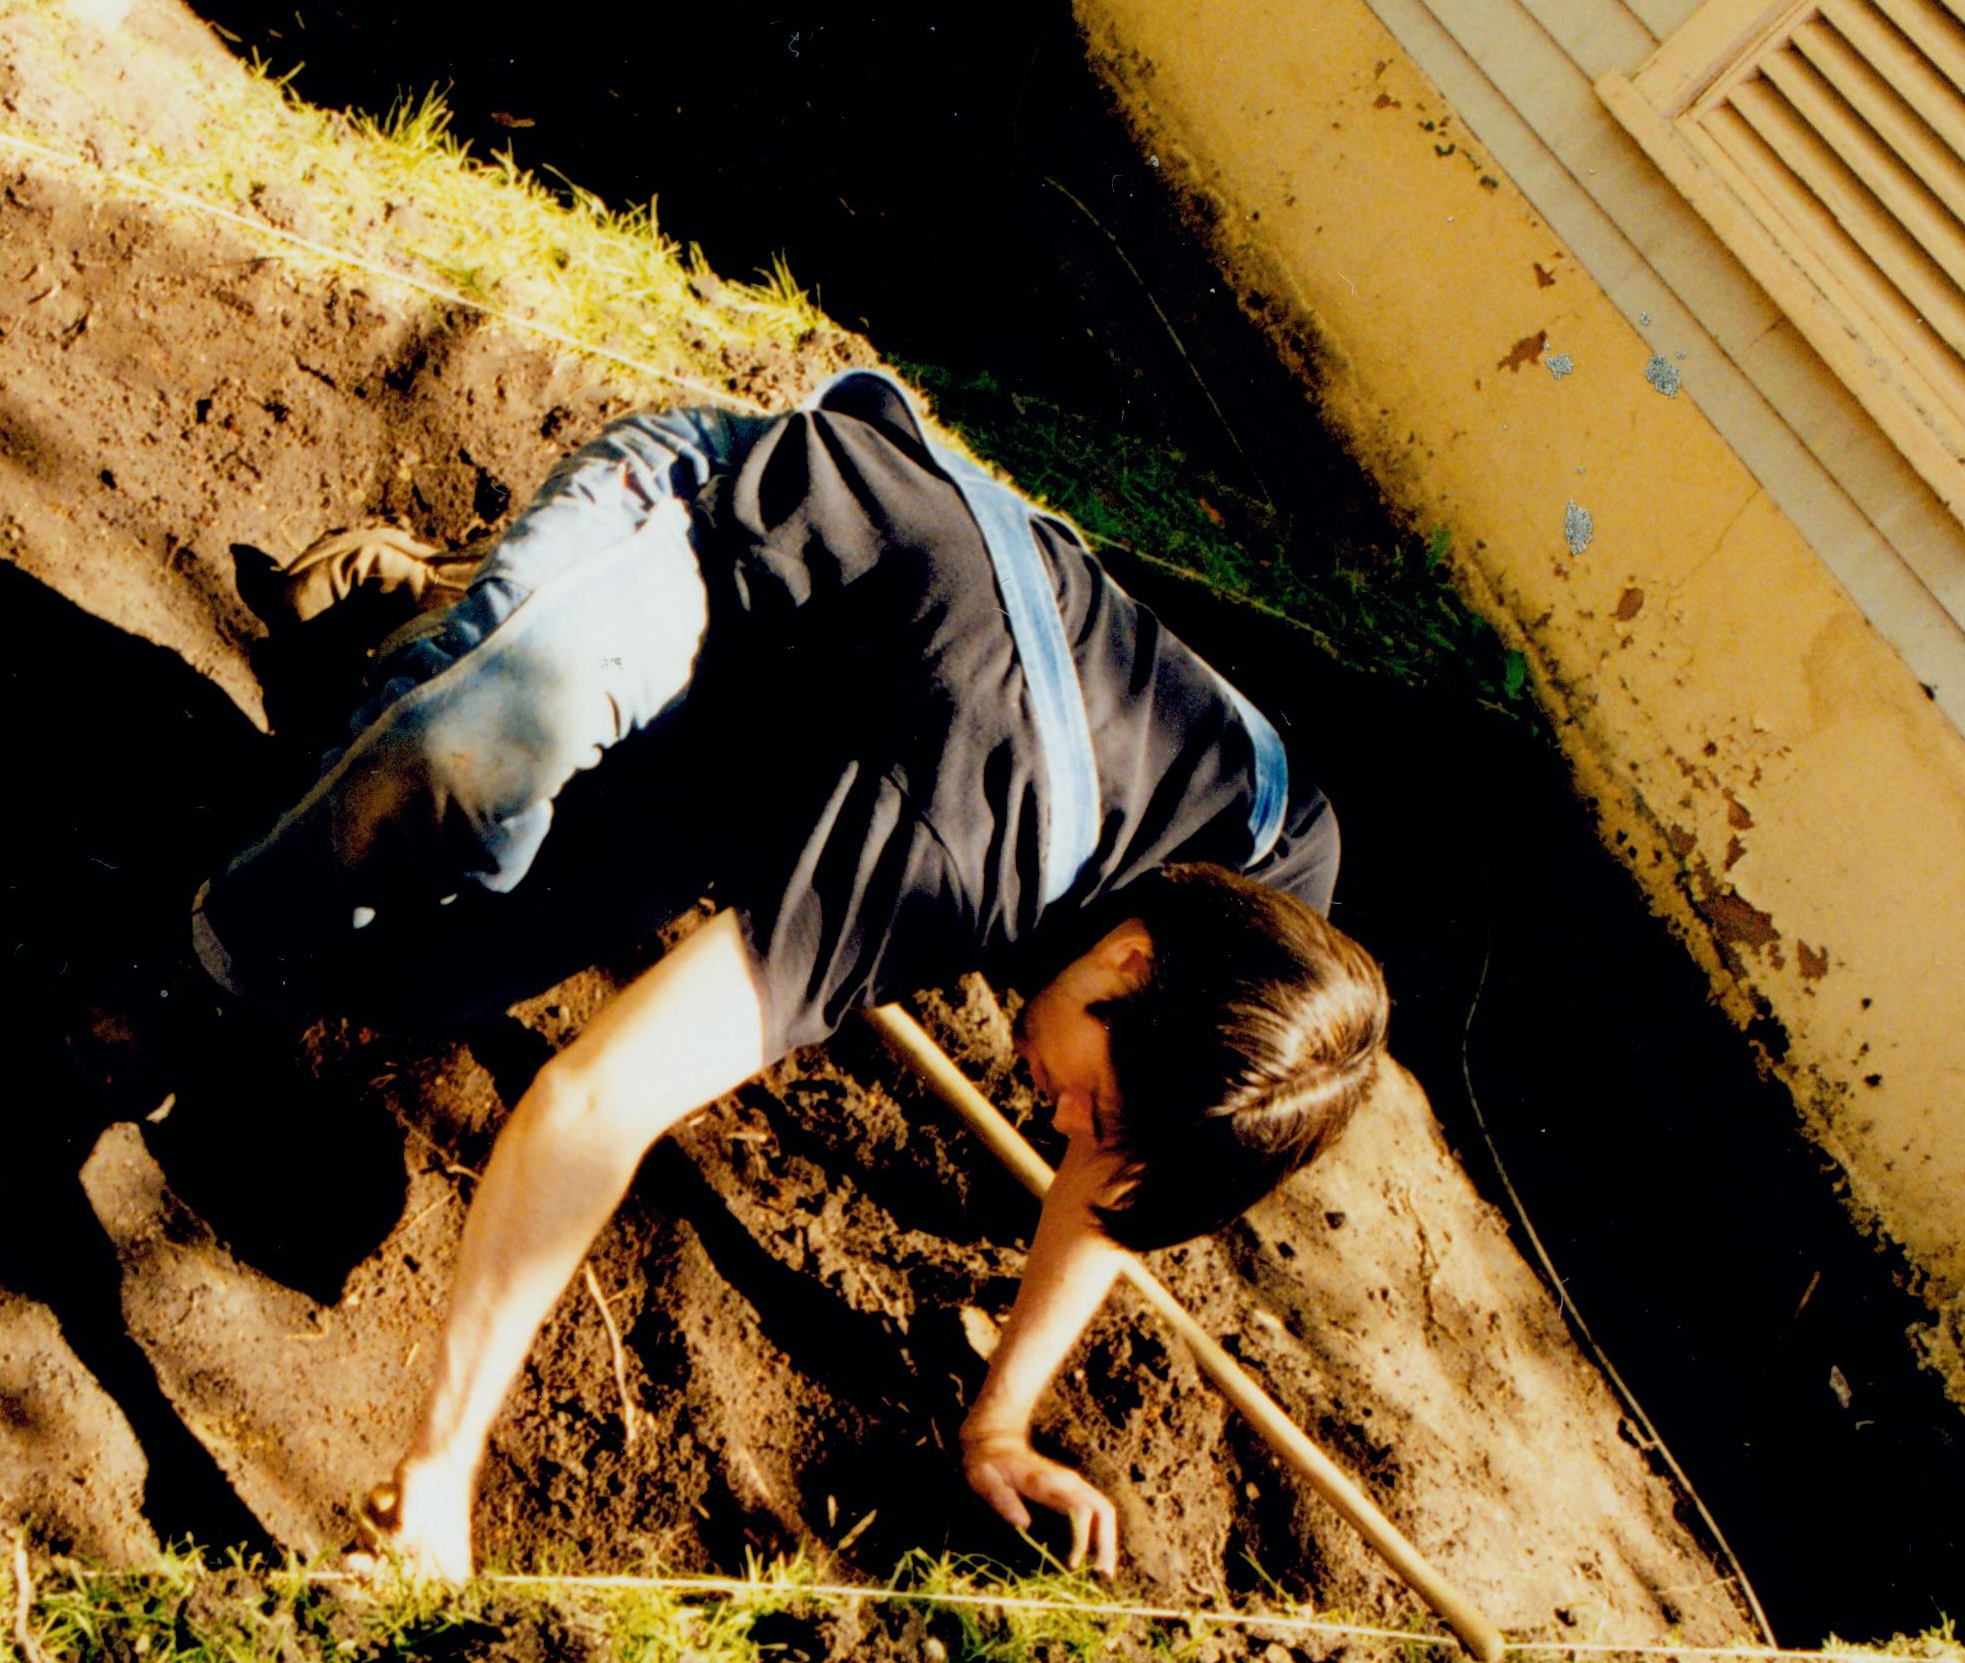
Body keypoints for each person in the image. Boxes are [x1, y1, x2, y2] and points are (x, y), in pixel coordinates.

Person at [193, 369, 1388, 1581]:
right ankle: (217, 941)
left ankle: (476, 627)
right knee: (461, 767)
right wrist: (444, 1467)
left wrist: (999, 1417)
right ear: (1128, 956)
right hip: (714, 531)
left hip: (804, 739)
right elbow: (596, 1099)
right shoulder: (961, 846)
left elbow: (1122, 1156)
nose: (1059, 1125)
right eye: (1086, 1102)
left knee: (428, 981)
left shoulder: (1270, 893)